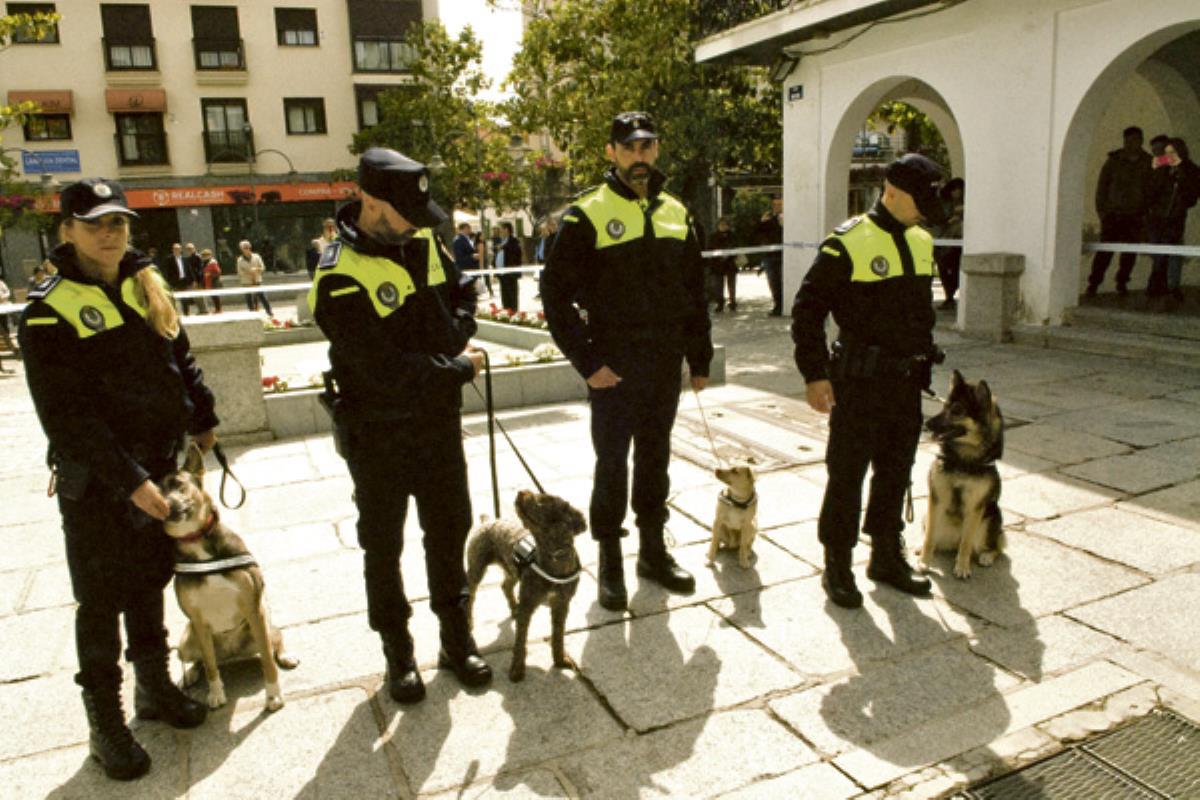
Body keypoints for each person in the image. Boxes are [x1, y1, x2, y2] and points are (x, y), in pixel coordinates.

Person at [18, 179, 215, 780]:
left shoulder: (144, 282)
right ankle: (106, 721)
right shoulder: (48, 311)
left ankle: (154, 686)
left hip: (159, 466)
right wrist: (130, 480)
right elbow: (67, 417)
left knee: (150, 582)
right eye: (95, 224)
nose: (109, 234)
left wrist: (203, 418)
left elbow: (179, 357)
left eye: (118, 223)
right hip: (101, 483)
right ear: (67, 231)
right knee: (101, 600)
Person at [309, 147, 490, 703]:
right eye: (402, 213)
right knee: (383, 546)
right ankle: (398, 652)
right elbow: (382, 370)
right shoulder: (338, 272)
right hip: (378, 431)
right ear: (368, 200)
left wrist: (457, 332)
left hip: (437, 423)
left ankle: (456, 640)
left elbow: (463, 294)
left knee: (449, 531)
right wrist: (458, 366)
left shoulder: (422, 240)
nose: (414, 223)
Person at [541, 111, 712, 611]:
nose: (639, 157)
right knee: (613, 464)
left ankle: (653, 551)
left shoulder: (677, 212)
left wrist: (699, 356)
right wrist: (588, 362)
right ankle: (611, 559)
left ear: (656, 150)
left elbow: (693, 293)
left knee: (655, 459)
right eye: (629, 147)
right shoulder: (586, 215)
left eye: (647, 146)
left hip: (663, 364)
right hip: (613, 366)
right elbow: (554, 296)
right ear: (611, 152)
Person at [791, 154, 946, 610]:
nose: (924, 214)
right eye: (920, 202)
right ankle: (837, 562)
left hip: (905, 381)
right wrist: (815, 374)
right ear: (892, 192)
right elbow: (807, 311)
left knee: (895, 471)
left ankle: (885, 554)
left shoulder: (921, 240)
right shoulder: (847, 243)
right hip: (859, 382)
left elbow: (919, 314)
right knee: (847, 474)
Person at [1086, 126, 1152, 296]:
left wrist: (1146, 213)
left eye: (1135, 140)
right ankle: (1094, 283)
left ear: (1141, 141)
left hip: (1135, 215)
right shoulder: (1113, 161)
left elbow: (1151, 189)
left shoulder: (1148, 162)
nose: (1131, 144)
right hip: (1113, 214)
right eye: (1128, 141)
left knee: (1129, 253)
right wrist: (1102, 211)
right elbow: (1102, 187)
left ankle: (1122, 282)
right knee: (1105, 252)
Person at [1145, 137, 1200, 303]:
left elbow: (1192, 196)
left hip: (1175, 217)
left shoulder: (1190, 170)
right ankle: (1160, 284)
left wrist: (1181, 184)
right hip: (1156, 216)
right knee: (1159, 252)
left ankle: (1169, 285)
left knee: (1172, 250)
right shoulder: (1161, 167)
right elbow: (1150, 189)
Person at [934, 177, 965, 309]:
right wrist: (949, 219)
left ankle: (950, 295)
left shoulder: (964, 202)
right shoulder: (944, 202)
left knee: (955, 268)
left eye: (959, 190)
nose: (956, 193)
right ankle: (949, 296)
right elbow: (940, 219)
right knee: (943, 269)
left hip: (956, 240)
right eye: (955, 190)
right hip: (944, 240)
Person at [757, 197, 784, 315]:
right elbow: (758, 233)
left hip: (783, 255)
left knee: (783, 280)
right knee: (773, 282)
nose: (777, 207)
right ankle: (777, 305)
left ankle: (785, 304)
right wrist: (762, 222)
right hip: (769, 255)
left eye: (780, 204)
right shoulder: (768, 218)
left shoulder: (787, 218)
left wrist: (782, 225)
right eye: (775, 204)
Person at [707, 216, 738, 312]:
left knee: (731, 285)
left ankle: (732, 302)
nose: (723, 226)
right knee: (718, 286)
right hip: (717, 264)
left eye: (725, 224)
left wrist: (728, 255)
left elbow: (735, 247)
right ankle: (720, 303)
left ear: (728, 226)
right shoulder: (713, 236)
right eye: (721, 224)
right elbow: (710, 248)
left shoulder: (732, 235)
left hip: (730, 263)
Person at [236, 240, 273, 316]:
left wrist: (256, 269)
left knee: (263, 297)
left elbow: (263, 268)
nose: (247, 249)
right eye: (245, 248)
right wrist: (248, 272)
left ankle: (269, 312)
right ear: (241, 249)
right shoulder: (239, 260)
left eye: (248, 247)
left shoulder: (257, 257)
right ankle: (252, 314)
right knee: (249, 299)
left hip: (257, 281)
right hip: (246, 282)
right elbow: (239, 272)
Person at [452, 221, 487, 296]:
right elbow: (459, 258)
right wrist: (472, 257)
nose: (470, 230)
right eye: (469, 228)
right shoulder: (459, 240)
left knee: (472, 292)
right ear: (465, 228)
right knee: (468, 293)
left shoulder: (467, 239)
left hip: (471, 271)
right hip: (466, 271)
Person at [165, 242, 200, 315]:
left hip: (184, 281)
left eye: (178, 249)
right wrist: (168, 282)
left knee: (185, 298)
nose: (177, 250)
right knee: (173, 299)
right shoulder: (169, 259)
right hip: (175, 282)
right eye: (175, 249)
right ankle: (174, 314)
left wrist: (193, 280)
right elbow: (167, 271)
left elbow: (189, 270)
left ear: (180, 250)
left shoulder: (185, 259)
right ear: (173, 250)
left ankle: (186, 313)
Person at [496, 221, 523, 311]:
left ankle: (514, 312)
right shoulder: (502, 241)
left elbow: (515, 253)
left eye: (501, 229)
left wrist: (503, 247)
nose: (500, 232)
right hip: (502, 273)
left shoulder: (513, 241)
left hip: (510, 274)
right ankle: (506, 312)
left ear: (506, 230)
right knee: (504, 296)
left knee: (512, 295)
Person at [200, 247, 223, 313]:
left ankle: (218, 309)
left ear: (210, 255)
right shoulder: (204, 263)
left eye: (206, 255)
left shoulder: (213, 263)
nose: (204, 256)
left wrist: (210, 274)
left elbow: (218, 272)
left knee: (215, 296)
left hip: (214, 282)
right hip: (208, 282)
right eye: (203, 255)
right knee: (213, 296)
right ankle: (217, 309)